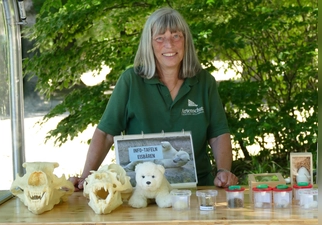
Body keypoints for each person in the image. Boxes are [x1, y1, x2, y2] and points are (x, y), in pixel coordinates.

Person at [71, 7, 238, 191]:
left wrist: (223, 171)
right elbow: (106, 134)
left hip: (197, 189)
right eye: (160, 38)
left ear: (186, 41)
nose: (169, 44)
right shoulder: (131, 81)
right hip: (142, 191)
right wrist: (86, 178)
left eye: (176, 36)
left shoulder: (204, 81)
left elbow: (218, 134)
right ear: (149, 44)